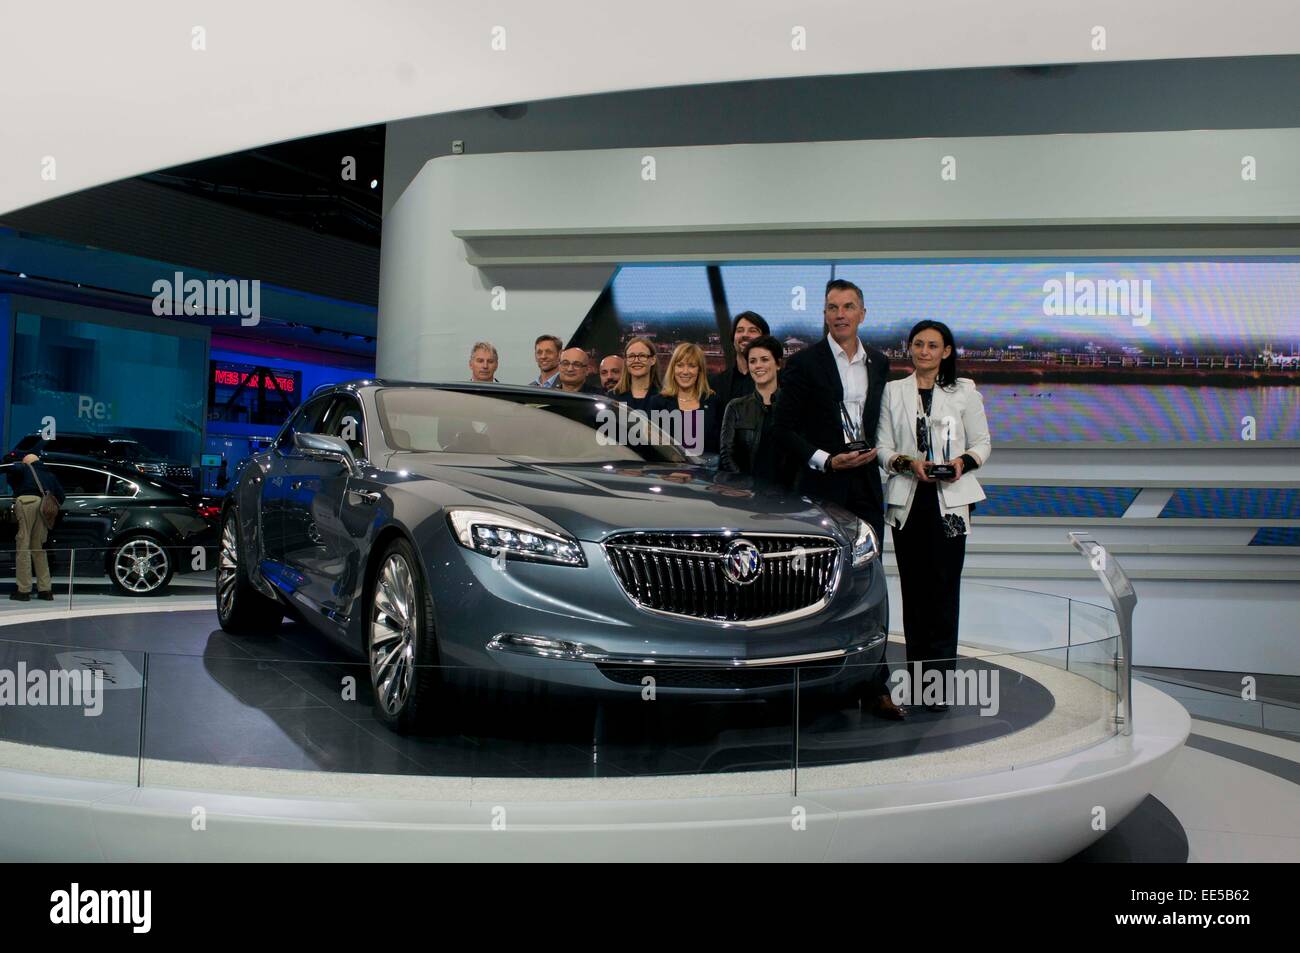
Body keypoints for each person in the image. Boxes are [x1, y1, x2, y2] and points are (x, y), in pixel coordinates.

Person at [771, 278, 903, 719]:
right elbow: (782, 430)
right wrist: (826, 461)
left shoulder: (881, 365)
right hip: (819, 488)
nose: (840, 314)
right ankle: (807, 679)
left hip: (865, 485)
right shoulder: (804, 364)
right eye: (832, 307)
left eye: (848, 307)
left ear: (863, 313)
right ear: (824, 314)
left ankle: (873, 683)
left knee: (869, 586)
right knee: (811, 587)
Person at [876, 320, 991, 712]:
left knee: (943, 594)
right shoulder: (893, 392)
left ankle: (938, 689)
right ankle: (916, 680)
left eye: (933, 346)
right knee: (914, 594)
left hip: (951, 503)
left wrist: (962, 462)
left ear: (946, 352)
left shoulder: (964, 392)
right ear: (910, 349)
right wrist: (907, 462)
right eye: (918, 344)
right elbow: (881, 447)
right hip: (909, 503)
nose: (924, 351)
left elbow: (983, 444)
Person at [719, 334, 786, 482]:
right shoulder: (735, 407)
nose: (758, 366)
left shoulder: (792, 406)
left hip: (785, 496)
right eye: (752, 361)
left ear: (778, 364)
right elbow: (726, 455)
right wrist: (743, 485)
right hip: (744, 494)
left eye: (765, 359)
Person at [6, 450, 66, 602]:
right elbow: (61, 496)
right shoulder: (49, 475)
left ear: (26, 462)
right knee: (39, 549)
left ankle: (23, 590)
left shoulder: (24, 468)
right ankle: (45, 590)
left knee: (23, 546)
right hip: (44, 508)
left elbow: (12, 471)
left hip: (26, 502)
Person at [648, 342, 722, 457]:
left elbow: (719, 446)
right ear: (673, 369)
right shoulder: (658, 402)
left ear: (700, 370)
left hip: (706, 471)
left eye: (692, 366)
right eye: (680, 365)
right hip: (670, 471)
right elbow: (653, 448)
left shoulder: (713, 401)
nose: (685, 371)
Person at [709, 311, 770, 411]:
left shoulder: (778, 382)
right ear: (733, 338)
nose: (745, 335)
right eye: (740, 330)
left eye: (753, 330)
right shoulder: (716, 384)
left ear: (765, 339)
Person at [612, 336, 661, 412]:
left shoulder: (665, 397)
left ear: (653, 360)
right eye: (631, 356)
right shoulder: (613, 396)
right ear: (626, 361)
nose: (636, 360)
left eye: (642, 356)